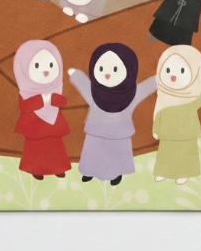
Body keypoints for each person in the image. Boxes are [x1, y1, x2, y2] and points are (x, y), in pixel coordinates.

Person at [67, 43, 156, 185]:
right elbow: (84, 85)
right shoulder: (94, 92)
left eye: (115, 69)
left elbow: (145, 88)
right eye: (101, 68)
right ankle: (90, 171)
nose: (107, 74)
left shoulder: (131, 95)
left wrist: (157, 80)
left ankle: (116, 173)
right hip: (96, 131)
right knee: (93, 151)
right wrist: (76, 75)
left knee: (117, 152)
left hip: (119, 133)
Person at [151, 45, 201, 184]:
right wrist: (156, 130)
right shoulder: (164, 96)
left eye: (182, 71)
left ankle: (185, 173)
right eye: (168, 70)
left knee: (186, 152)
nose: (173, 76)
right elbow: (158, 113)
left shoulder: (191, 98)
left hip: (186, 132)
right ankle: (163, 171)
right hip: (167, 132)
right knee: (165, 153)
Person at [14, 39, 71, 179]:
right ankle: (36, 169)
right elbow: (25, 106)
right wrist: (45, 99)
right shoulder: (25, 92)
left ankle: (58, 168)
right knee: (35, 148)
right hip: (34, 127)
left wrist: (51, 99)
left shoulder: (55, 87)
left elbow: (62, 101)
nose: (45, 71)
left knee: (55, 147)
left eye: (51, 65)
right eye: (37, 65)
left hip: (52, 127)